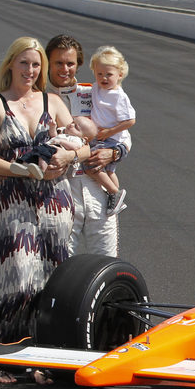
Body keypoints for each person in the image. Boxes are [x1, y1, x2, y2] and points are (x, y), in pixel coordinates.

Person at [0, 36, 90, 384]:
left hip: (55, 202)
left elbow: (83, 145)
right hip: (13, 201)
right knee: (14, 277)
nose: (30, 70)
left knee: (51, 280)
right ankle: (0, 356)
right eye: (24, 63)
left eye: (36, 64)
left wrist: (68, 156)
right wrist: (21, 169)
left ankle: (43, 358)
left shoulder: (51, 101)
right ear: (10, 63)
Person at [45, 34, 126, 256]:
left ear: (78, 64)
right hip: (59, 191)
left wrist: (113, 153)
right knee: (59, 263)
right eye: (58, 63)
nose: (65, 69)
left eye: (70, 63)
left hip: (97, 187)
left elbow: (124, 136)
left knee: (106, 260)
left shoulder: (95, 92)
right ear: (48, 63)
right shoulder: (38, 98)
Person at [87, 45, 136, 216]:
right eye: (99, 74)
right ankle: (113, 195)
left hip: (112, 140)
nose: (104, 78)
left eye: (109, 74)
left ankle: (114, 192)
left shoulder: (118, 96)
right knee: (108, 171)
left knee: (90, 165)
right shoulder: (96, 88)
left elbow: (130, 120)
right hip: (101, 138)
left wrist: (109, 132)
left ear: (120, 75)